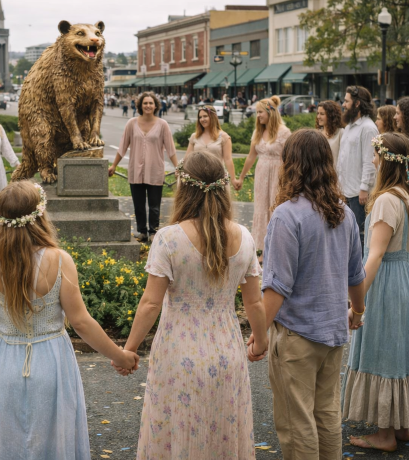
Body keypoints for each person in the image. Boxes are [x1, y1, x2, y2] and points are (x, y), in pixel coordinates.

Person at [0, 180, 138, 459]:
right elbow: (82, 322)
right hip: (52, 360)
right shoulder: (60, 260)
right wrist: (120, 356)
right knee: (54, 439)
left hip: (6, 362)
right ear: (40, 217)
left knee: (8, 439)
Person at [119, 151, 266, 459]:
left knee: (178, 431)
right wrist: (260, 342)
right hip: (228, 350)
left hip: (178, 353)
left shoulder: (169, 239)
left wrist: (129, 350)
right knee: (222, 432)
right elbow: (254, 301)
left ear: (183, 189)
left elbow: (150, 304)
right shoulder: (245, 237)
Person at [247, 129, 366, 459]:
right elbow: (356, 275)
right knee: (326, 414)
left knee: (296, 422)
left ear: (290, 165)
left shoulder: (287, 215)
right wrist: (357, 312)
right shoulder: (344, 213)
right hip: (334, 331)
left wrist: (258, 337)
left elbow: (277, 288)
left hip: (297, 335)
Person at [342, 132, 409, 453]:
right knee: (401, 349)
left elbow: (374, 256)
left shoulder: (385, 201)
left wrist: (358, 304)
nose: (372, 160)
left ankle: (384, 434)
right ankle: (401, 425)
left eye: (376, 155)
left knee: (384, 351)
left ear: (386, 161)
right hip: (406, 279)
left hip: (387, 286)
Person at [108, 92, 178, 242]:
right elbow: (122, 146)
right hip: (136, 170)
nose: (148, 106)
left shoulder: (162, 125)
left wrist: (178, 167)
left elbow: (171, 149)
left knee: (154, 205)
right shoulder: (132, 124)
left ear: (155, 106)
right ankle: (142, 231)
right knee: (138, 204)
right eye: (145, 103)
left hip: (155, 170)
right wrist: (114, 165)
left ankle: (153, 232)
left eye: (150, 103)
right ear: (140, 105)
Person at [235, 96, 291, 261]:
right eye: (257, 112)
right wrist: (241, 177)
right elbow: (251, 157)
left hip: (278, 174)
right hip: (261, 174)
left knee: (275, 208)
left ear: (270, 113)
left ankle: (277, 248)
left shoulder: (284, 132)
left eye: (260, 112)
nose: (258, 116)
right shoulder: (258, 132)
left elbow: (290, 158)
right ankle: (260, 250)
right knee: (260, 209)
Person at [336, 86, 379, 248]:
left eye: (347, 101)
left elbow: (370, 161)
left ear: (357, 104)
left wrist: (364, 188)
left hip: (358, 194)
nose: (343, 104)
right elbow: (343, 160)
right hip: (345, 191)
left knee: (358, 238)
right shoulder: (348, 127)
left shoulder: (368, 128)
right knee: (347, 235)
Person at [185, 104, 236, 181]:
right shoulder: (194, 136)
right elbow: (187, 158)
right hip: (197, 179)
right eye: (200, 117)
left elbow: (228, 159)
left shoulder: (224, 137)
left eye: (205, 116)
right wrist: (180, 171)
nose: (202, 119)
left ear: (213, 117)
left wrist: (233, 179)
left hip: (217, 179)